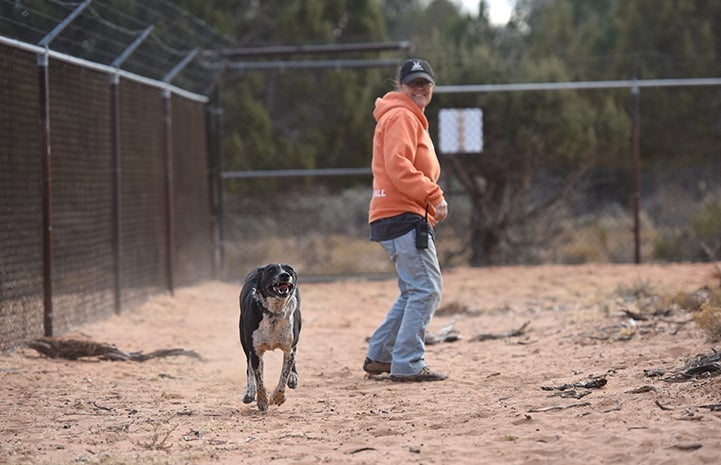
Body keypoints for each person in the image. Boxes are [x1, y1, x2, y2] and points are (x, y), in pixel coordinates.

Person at [363, 58, 448, 382]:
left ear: (432, 87)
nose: (420, 88)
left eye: (425, 83)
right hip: (401, 214)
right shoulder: (401, 115)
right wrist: (433, 194)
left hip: (393, 214)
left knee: (413, 290)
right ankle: (408, 363)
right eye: (413, 83)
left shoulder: (405, 116)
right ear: (400, 86)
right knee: (426, 289)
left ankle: (380, 355)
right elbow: (398, 167)